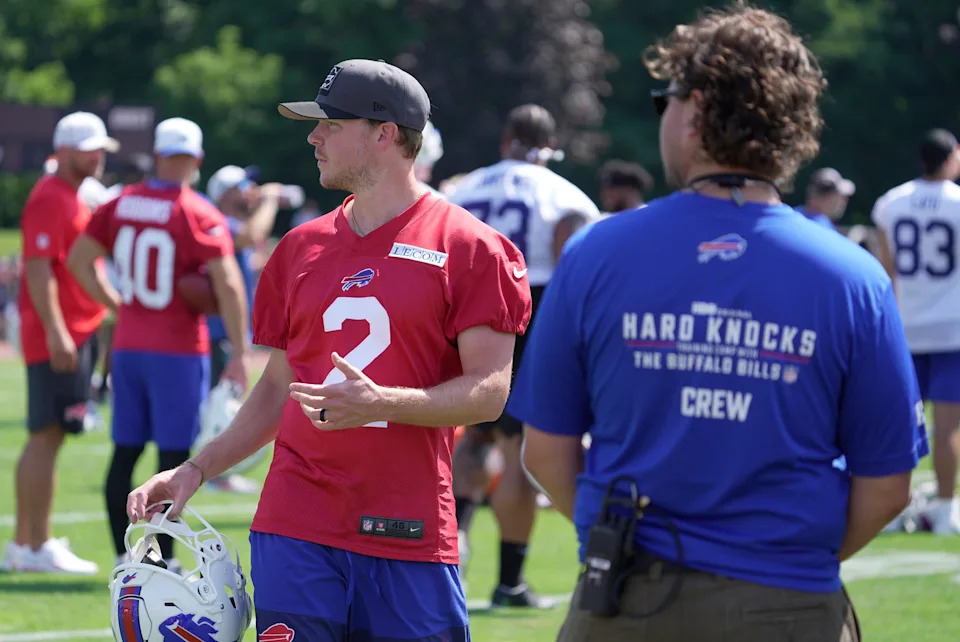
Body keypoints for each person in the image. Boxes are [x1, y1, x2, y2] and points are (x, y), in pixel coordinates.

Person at [510, 6, 928, 641]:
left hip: (626, 602)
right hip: (789, 603)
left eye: (664, 99)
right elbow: (889, 485)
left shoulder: (597, 253)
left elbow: (544, 451)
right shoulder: (854, 276)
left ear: (695, 109)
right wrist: (775, 560)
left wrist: (624, 545)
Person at [125, 58, 531, 641]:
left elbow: (490, 393)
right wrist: (195, 469)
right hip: (295, 521)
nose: (314, 136)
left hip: (405, 525)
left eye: (331, 124)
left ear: (383, 134)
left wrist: (381, 402)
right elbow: (275, 390)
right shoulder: (300, 247)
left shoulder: (471, 247)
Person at [67, 116, 250, 571]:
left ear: (158, 154)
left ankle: (124, 557)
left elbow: (78, 260)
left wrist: (117, 302)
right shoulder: (198, 211)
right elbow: (227, 286)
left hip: (129, 345)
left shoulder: (121, 202)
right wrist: (242, 353)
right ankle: (164, 562)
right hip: (177, 349)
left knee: (125, 451)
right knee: (174, 458)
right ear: (198, 160)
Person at [448, 103, 598, 608]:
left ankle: (455, 545)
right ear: (550, 142)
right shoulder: (562, 194)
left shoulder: (467, 188)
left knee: (469, 435)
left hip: (461, 310)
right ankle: (509, 581)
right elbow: (576, 268)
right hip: (531, 312)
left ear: (505, 138)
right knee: (515, 451)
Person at [1, 111, 117, 574]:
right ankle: (33, 544)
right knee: (45, 435)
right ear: (66, 150)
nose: (99, 157)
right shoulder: (52, 195)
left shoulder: (67, 194)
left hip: (73, 328)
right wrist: (56, 330)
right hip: (60, 332)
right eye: (90, 149)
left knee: (50, 436)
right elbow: (38, 267)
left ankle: (28, 542)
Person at [872, 128, 960, 535]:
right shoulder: (958, 203)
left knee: (903, 423)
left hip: (905, 326)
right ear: (950, 158)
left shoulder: (892, 202)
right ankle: (945, 509)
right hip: (952, 328)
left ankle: (892, 508)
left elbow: (884, 268)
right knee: (948, 427)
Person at [202, 164, 285, 494]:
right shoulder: (222, 223)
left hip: (227, 328)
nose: (252, 190)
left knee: (225, 401)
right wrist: (272, 202)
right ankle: (211, 471)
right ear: (225, 193)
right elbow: (251, 234)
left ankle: (217, 470)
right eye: (244, 185)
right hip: (217, 328)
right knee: (219, 403)